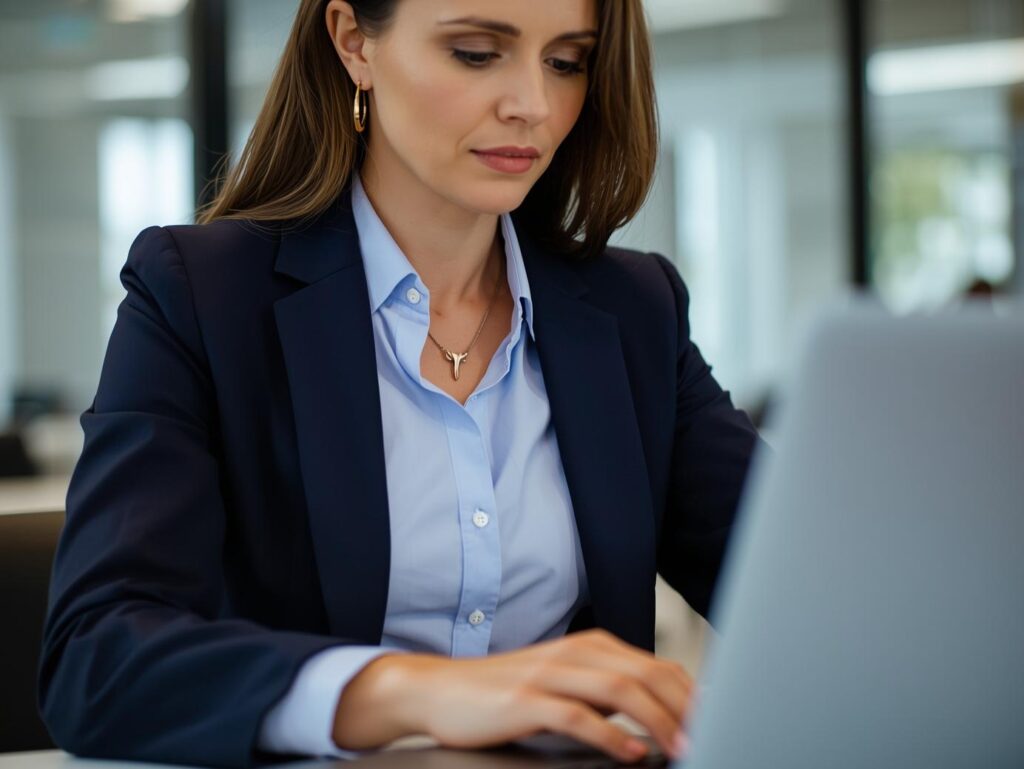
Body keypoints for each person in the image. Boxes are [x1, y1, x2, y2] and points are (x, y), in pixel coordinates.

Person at [37, 1, 764, 767]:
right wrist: (416, 692)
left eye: (566, 62)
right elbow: (98, 657)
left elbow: (808, 586)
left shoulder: (634, 313)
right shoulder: (200, 297)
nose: (533, 105)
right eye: (478, 53)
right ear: (354, 42)